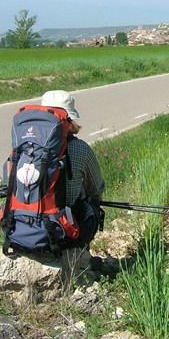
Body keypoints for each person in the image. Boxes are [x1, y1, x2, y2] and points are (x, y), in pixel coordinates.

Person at [41, 90, 105, 246]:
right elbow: (96, 189)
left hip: (25, 225)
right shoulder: (80, 149)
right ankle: (81, 254)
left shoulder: (25, 147)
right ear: (68, 120)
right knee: (91, 205)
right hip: (65, 231)